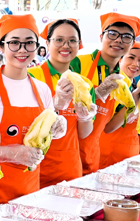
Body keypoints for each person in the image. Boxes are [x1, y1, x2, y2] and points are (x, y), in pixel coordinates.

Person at [0, 15, 66, 212]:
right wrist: (8, 153)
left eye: (29, 43)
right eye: (14, 43)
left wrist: (57, 128)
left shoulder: (43, 90)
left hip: (29, 190)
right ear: (2, 46)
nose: (22, 50)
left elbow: (45, 136)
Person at [70, 12, 140, 173]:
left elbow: (109, 127)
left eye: (126, 37)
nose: (118, 40)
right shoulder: (78, 63)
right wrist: (95, 94)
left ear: (131, 44)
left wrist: (133, 102)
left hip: (91, 154)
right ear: (101, 36)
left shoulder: (124, 81)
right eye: (112, 34)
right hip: (67, 150)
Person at [27, 19, 96, 187]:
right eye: (59, 40)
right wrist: (54, 106)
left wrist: (85, 118)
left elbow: (83, 134)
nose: (66, 45)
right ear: (47, 43)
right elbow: (23, 125)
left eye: (72, 40)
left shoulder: (85, 84)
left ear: (79, 45)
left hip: (69, 168)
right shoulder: (31, 77)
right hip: (34, 168)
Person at [100, 42, 140, 166]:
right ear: (120, 59)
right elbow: (108, 128)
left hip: (131, 154)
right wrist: (132, 105)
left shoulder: (139, 86)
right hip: (108, 155)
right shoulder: (110, 84)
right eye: (131, 57)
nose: (135, 64)